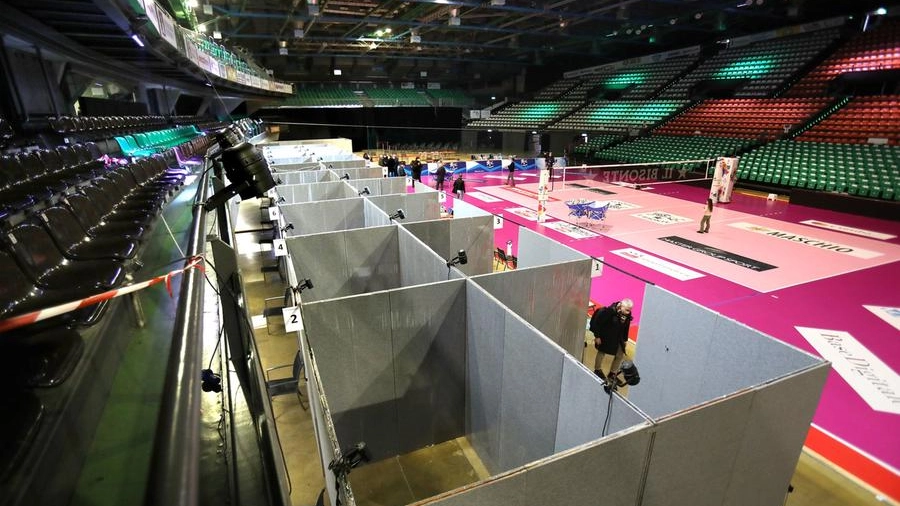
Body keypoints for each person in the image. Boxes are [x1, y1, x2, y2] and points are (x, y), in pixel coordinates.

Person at [588, 299, 633, 379]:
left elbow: (626, 327)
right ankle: (597, 370)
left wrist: (625, 340)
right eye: (626, 310)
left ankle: (612, 373)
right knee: (602, 352)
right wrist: (597, 336)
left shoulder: (627, 314)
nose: (628, 312)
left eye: (629, 310)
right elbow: (598, 323)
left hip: (618, 337)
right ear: (620, 306)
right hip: (606, 335)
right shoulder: (609, 311)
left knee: (620, 354)